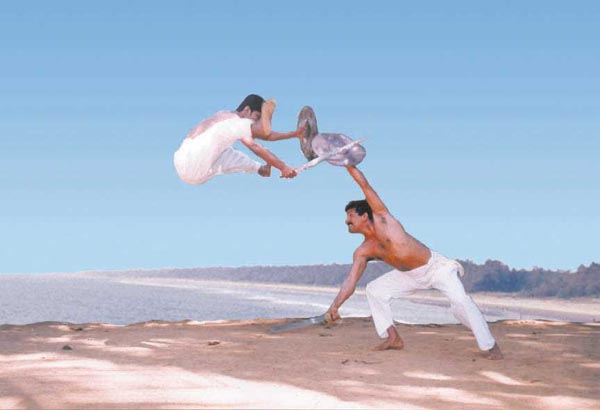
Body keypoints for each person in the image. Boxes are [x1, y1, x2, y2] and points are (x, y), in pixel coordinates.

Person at [325, 165, 503, 360]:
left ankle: (490, 346)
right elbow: (351, 280)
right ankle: (393, 338)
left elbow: (365, 185)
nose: (346, 221)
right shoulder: (363, 251)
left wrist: (347, 163)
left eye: (350, 215)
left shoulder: (384, 220)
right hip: (408, 276)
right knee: (375, 290)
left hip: (436, 268)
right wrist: (335, 306)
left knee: (461, 302)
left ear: (365, 215)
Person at [174, 94, 302, 185]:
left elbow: (265, 135)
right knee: (227, 149)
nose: (255, 122)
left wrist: (295, 134)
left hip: (182, 158)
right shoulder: (237, 123)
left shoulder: (225, 116)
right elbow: (257, 144)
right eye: (256, 117)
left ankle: (260, 169)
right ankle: (259, 168)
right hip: (193, 167)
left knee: (226, 150)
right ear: (247, 110)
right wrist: (283, 167)